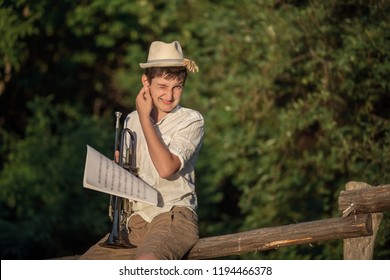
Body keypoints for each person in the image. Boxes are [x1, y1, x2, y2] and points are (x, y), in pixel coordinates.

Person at [122, 40, 204, 260]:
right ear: (145, 83)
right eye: (162, 86)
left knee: (147, 264)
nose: (170, 95)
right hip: (135, 221)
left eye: (177, 87)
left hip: (174, 214)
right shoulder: (130, 120)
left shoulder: (191, 120)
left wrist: (144, 118)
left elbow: (166, 169)